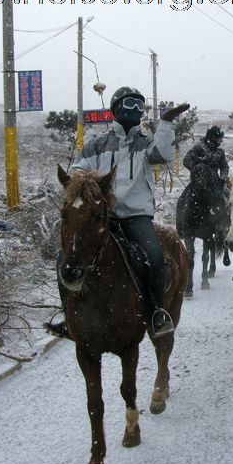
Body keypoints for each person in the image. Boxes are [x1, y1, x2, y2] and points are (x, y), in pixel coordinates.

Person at [45, 86, 190, 339]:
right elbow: (77, 172)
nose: (134, 109)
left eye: (139, 105)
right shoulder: (97, 146)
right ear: (115, 109)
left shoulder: (146, 144)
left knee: (154, 257)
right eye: (128, 104)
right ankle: (69, 317)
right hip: (101, 217)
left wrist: (166, 123)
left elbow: (164, 154)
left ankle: (156, 313)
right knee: (64, 257)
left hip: (136, 216)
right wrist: (89, 185)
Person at [183, 125, 230, 200]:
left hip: (215, 182)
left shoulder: (220, 152)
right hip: (199, 181)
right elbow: (186, 160)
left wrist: (222, 178)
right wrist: (197, 169)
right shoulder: (198, 148)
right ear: (213, 138)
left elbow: (224, 167)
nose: (221, 141)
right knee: (184, 198)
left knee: (230, 198)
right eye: (220, 138)